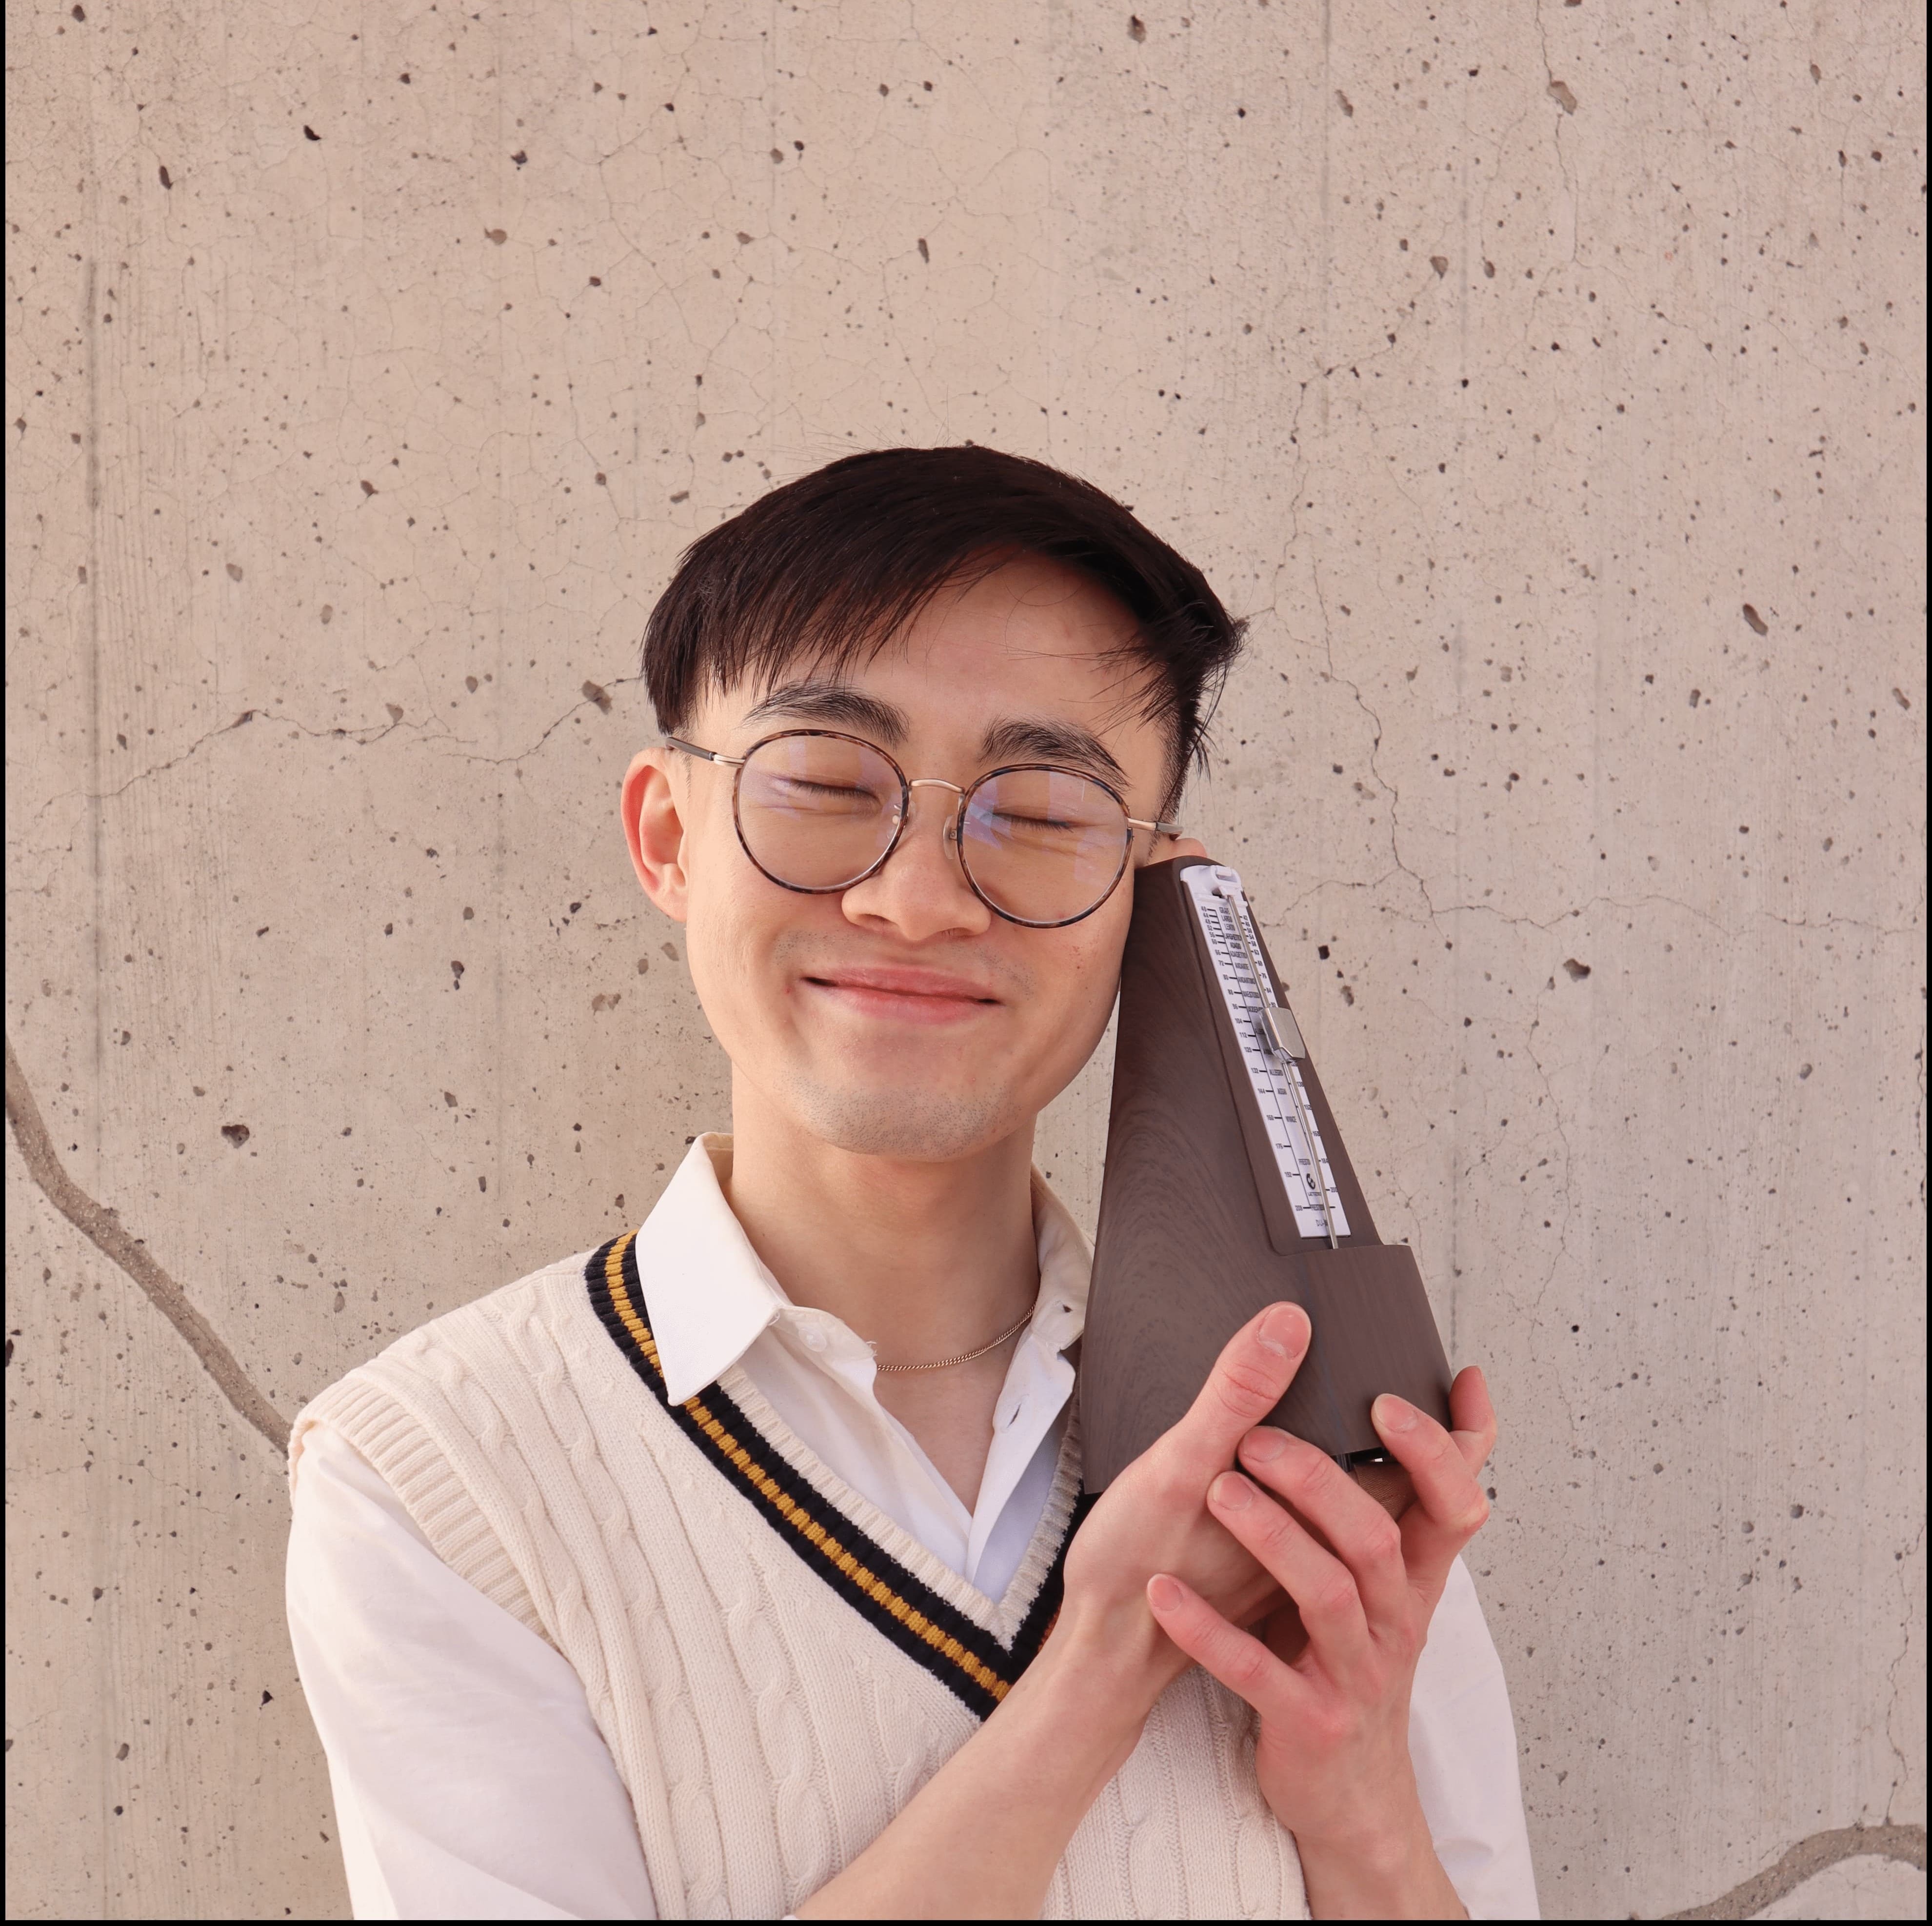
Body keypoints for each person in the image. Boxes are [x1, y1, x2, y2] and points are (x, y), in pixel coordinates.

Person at [286, 445, 1538, 1920]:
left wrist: (1364, 1817)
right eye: (826, 784)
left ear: (1150, 898)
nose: (916, 898)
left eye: (1044, 811)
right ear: (669, 836)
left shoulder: (1300, 1431)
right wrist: (1109, 1661)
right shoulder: (441, 1472)